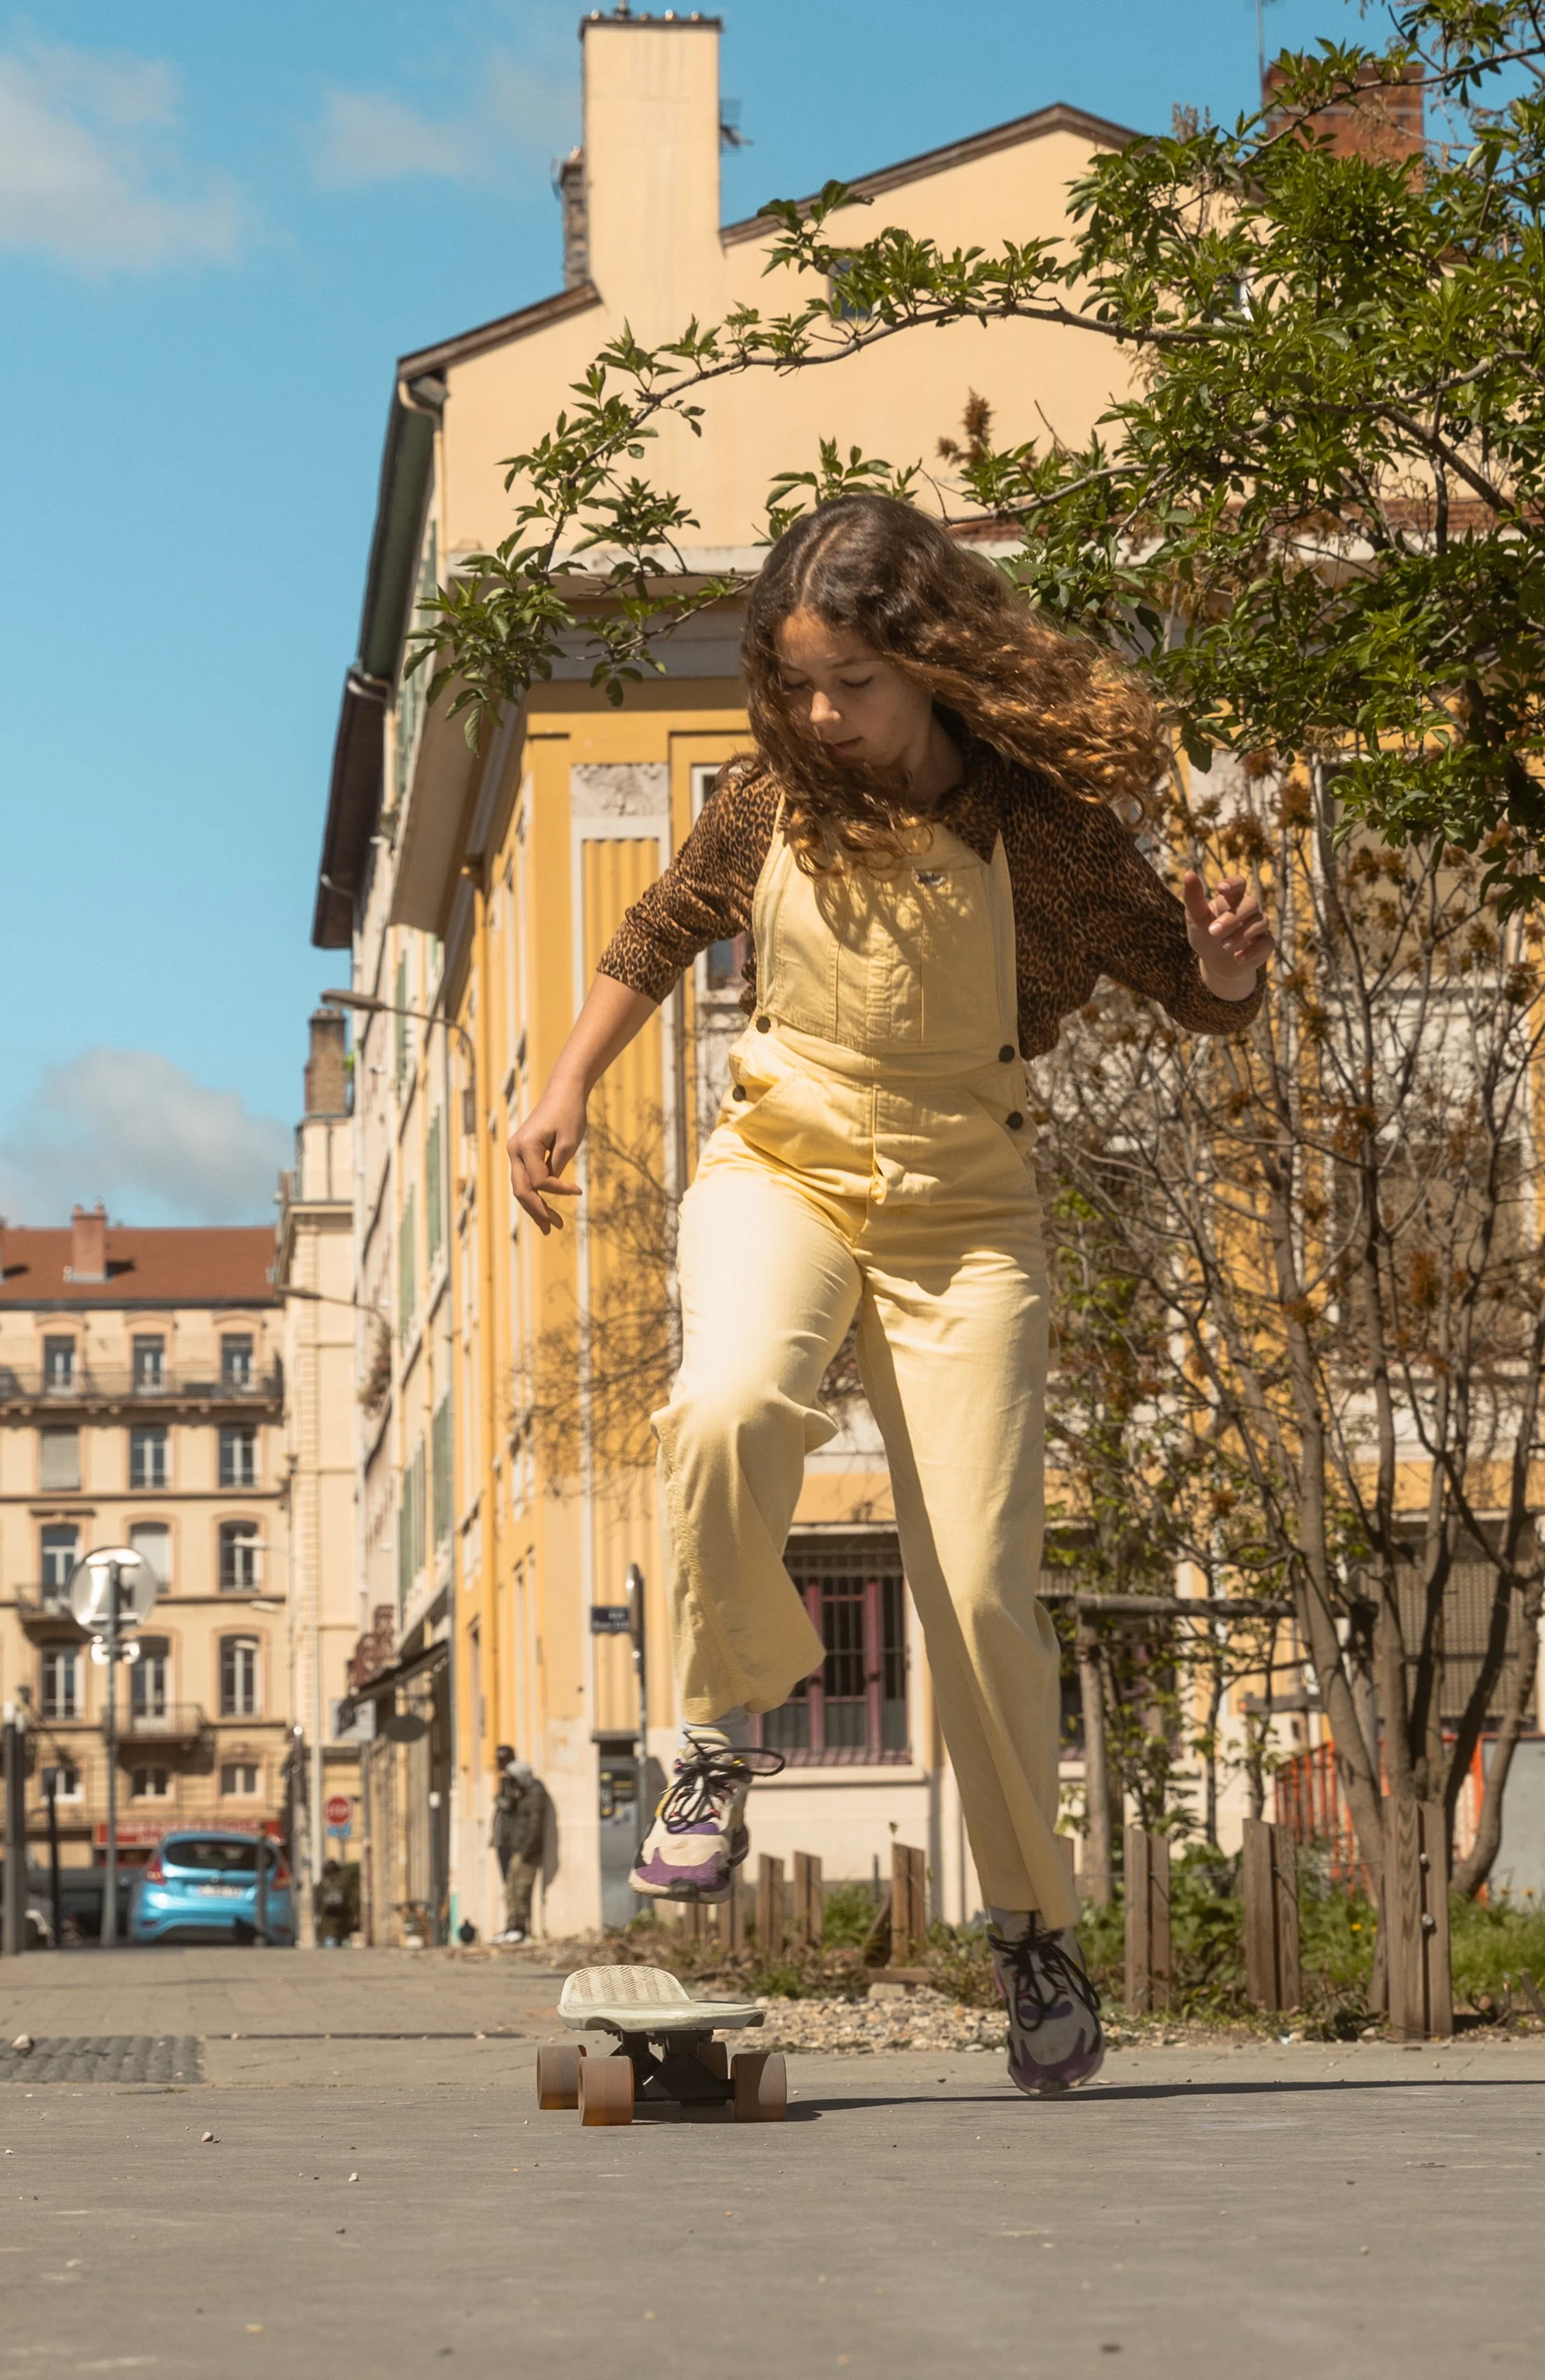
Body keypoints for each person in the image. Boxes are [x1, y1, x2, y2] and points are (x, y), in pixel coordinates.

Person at [506, 494, 1273, 2096]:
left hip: (966, 1209)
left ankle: (1030, 1932)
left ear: (927, 663)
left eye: (848, 683)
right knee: (723, 1405)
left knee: (982, 1592)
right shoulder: (769, 802)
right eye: (792, 684)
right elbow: (651, 930)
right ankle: (711, 1740)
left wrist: (1223, 966)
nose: (818, 716)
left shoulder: (1043, 828)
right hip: (783, 1163)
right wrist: (562, 1083)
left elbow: (1191, 1001)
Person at [489, 1746, 548, 1945]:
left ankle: (520, 1928)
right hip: (517, 1848)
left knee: (522, 1889)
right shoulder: (522, 1794)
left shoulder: (535, 1794)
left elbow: (534, 1825)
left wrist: (525, 1849)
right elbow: (508, 1808)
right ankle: (512, 1926)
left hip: (527, 1850)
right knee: (511, 1889)